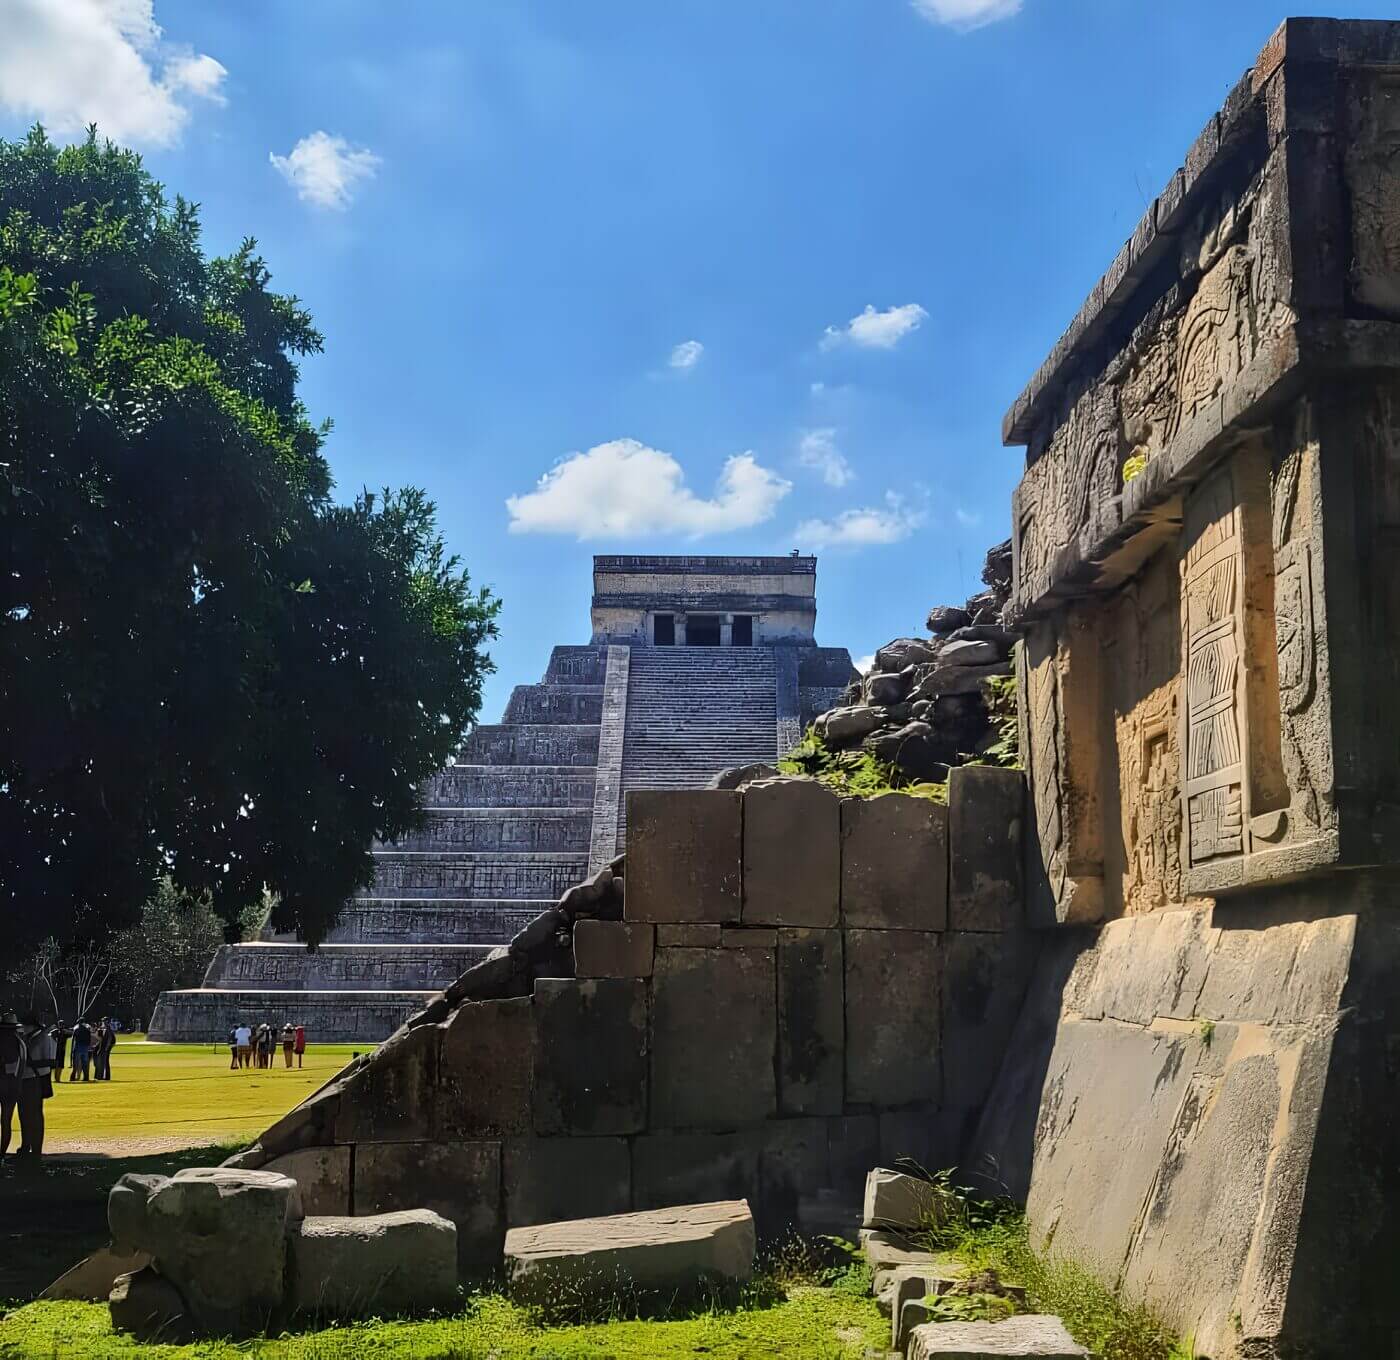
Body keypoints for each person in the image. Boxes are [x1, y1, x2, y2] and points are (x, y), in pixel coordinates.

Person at [17, 1016, 55, 1156]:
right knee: (23, 1114)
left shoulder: (44, 1038)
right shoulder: (25, 1038)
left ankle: (36, 1148)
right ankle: (25, 1145)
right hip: (23, 1079)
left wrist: (29, 1064)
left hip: (35, 1079)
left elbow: (51, 1062)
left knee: (35, 1115)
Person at [0, 1013, 25, 1162]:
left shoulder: (6, 1040)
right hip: (15, 1085)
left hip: (4, 1082)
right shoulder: (20, 1041)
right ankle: (2, 1153)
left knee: (5, 1120)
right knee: (6, 1120)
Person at [70, 1016, 92, 1081]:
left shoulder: (76, 1029)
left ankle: (73, 1077)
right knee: (85, 1064)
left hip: (78, 1047)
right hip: (85, 1048)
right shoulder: (87, 1029)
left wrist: (72, 1049)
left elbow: (73, 1039)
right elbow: (89, 1039)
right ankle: (86, 1077)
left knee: (76, 1064)